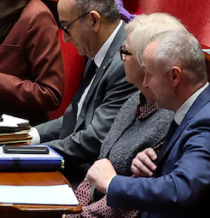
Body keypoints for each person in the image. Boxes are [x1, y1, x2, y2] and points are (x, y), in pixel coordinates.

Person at [86, 30, 210, 218]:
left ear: (175, 76)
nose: (145, 83)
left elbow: (180, 190)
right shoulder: (197, 106)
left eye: (149, 75)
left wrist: (111, 183)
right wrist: (155, 165)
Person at [66, 13, 183, 218]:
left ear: (146, 64)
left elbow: (127, 206)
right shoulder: (134, 101)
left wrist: (71, 216)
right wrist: (69, 208)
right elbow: (96, 172)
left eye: (125, 52)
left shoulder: (169, 121)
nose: (121, 59)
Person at [31, 0, 135, 183]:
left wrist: (30, 154)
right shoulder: (97, 48)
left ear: (94, 20)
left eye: (67, 27)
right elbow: (75, 117)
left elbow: (96, 139)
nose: (65, 38)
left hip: (90, 179)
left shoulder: (124, 62)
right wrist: (30, 136)